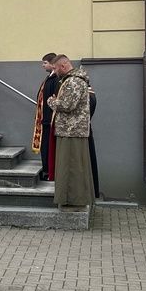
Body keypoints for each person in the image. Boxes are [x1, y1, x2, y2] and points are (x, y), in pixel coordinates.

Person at [46, 55, 94, 210]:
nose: (55, 72)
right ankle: (70, 199)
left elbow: (67, 105)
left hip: (72, 131)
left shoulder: (73, 81)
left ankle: (73, 200)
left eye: (55, 68)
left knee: (72, 167)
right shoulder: (73, 80)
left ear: (64, 65)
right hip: (70, 131)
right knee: (70, 167)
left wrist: (51, 101)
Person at [32, 53, 59, 182]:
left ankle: (48, 171)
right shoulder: (49, 78)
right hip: (45, 119)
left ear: (52, 63)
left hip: (49, 120)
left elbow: (53, 100)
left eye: (44, 63)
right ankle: (46, 169)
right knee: (45, 146)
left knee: (48, 147)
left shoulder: (55, 80)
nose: (43, 65)